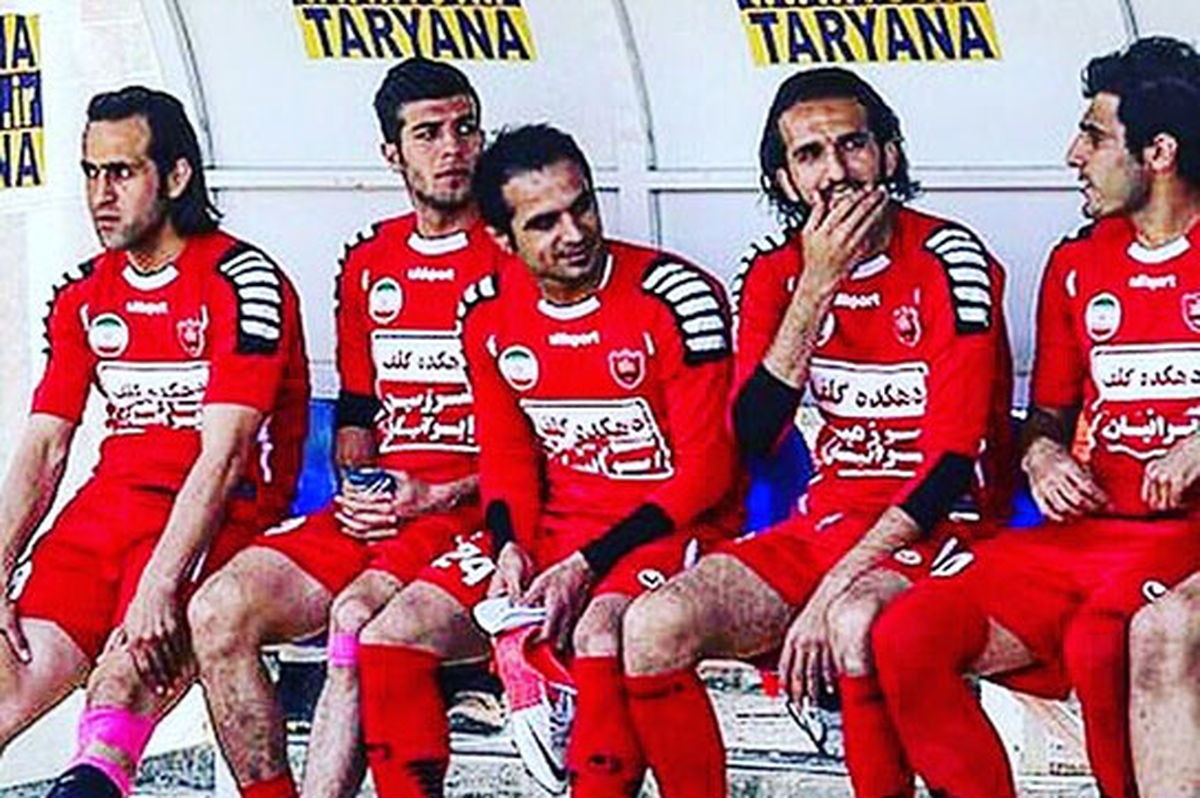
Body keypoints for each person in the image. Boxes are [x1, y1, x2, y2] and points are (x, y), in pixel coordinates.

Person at [619, 66, 1014, 798]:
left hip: (942, 531)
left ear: (888, 153)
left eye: (853, 145)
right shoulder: (775, 273)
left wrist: (830, 592)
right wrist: (817, 285)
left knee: (856, 622)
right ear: (784, 178)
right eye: (809, 155)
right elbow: (750, 436)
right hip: (828, 525)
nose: (836, 172)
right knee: (653, 625)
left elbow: (954, 466)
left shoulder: (951, 259)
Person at [350, 122, 740, 798]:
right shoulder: (487, 309)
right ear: (501, 239)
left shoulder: (676, 296)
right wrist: (509, 546)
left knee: (600, 635)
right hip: (557, 530)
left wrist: (584, 565)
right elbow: (507, 456)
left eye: (581, 206)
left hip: (671, 526)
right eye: (544, 222)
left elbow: (708, 473)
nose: (575, 232)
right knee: (391, 637)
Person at [869, 37, 1200, 798]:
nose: (1072, 156)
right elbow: (1047, 414)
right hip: (1089, 529)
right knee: (907, 634)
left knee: (1102, 644)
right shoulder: (1076, 263)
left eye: (1093, 137)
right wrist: (1042, 456)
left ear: (1159, 152)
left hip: (1184, 532)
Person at [185, 58, 499, 798]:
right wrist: (360, 488)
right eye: (428, 134)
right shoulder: (369, 260)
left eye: (465, 129)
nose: (453, 148)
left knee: (356, 617)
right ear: (392, 153)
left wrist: (439, 493)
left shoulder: (516, 250)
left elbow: (548, 438)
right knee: (216, 610)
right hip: (383, 510)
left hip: (475, 510)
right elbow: (358, 408)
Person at [0, 86, 309, 798]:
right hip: (102, 519)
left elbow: (225, 457)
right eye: (91, 173)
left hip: (215, 518)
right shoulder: (83, 293)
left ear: (175, 176)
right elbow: (45, 446)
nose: (101, 195)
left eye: (122, 172)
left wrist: (160, 585)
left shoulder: (243, 281)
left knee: (119, 685)